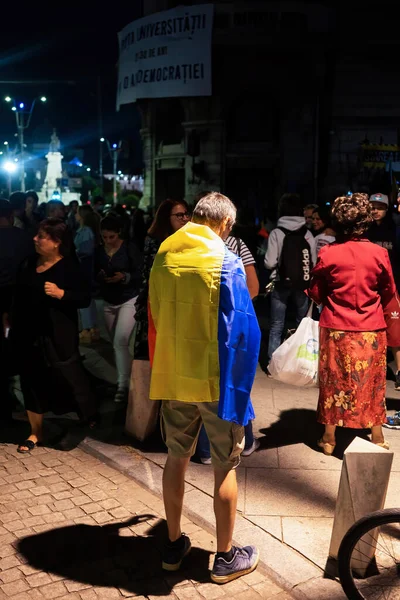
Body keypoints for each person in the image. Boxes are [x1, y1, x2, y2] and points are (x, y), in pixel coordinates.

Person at [148, 191, 261, 584]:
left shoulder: (164, 254)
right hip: (216, 379)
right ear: (224, 224)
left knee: (176, 457)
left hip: (175, 373)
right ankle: (226, 556)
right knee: (224, 464)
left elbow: (156, 312)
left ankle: (173, 543)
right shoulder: (226, 261)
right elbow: (243, 329)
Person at [308, 193, 396, 455]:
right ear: (365, 221)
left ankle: (329, 438)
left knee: (334, 382)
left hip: (336, 328)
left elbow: (316, 291)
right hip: (370, 328)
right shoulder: (379, 253)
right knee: (373, 382)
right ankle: (377, 436)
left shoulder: (328, 253)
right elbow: (389, 291)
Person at [6, 218, 99, 453]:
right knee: (30, 381)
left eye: (42, 236)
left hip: (58, 336)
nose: (35, 239)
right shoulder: (29, 262)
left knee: (69, 377)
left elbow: (84, 297)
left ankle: (87, 415)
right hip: (27, 334)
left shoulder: (69, 267)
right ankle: (35, 432)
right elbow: (16, 291)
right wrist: (8, 315)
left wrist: (62, 294)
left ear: (57, 243)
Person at [196, 229, 260, 463]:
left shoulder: (192, 247)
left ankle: (205, 449)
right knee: (234, 381)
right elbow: (253, 287)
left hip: (199, 327)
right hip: (230, 326)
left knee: (206, 386)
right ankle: (241, 443)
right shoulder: (234, 246)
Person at [264, 193, 317, 367]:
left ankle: (273, 364)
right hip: (303, 283)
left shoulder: (276, 233)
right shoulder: (308, 234)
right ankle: (297, 363)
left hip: (280, 283)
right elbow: (314, 262)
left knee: (276, 325)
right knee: (301, 324)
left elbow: (269, 262)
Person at [134, 199, 190, 359]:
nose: (185, 218)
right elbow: (150, 274)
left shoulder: (191, 239)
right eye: (179, 215)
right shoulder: (154, 241)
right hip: (160, 303)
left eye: (186, 214)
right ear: (166, 218)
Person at [95, 214, 142, 403]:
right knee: (116, 343)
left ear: (118, 234)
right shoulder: (99, 251)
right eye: (104, 237)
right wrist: (99, 276)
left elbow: (140, 271)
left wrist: (124, 276)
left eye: (111, 237)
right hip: (108, 300)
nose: (108, 241)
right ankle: (126, 376)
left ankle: (123, 386)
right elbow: (91, 271)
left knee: (120, 340)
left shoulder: (129, 247)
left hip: (128, 298)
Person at [0, 199, 34, 422]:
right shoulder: (24, 239)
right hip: (19, 301)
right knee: (22, 355)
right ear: (11, 215)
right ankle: (26, 405)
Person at [74, 205, 101, 344]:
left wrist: (74, 253)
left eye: (77, 212)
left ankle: (88, 329)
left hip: (83, 269)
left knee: (84, 300)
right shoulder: (86, 231)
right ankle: (91, 329)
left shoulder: (86, 231)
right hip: (85, 269)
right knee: (87, 301)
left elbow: (85, 250)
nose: (75, 215)